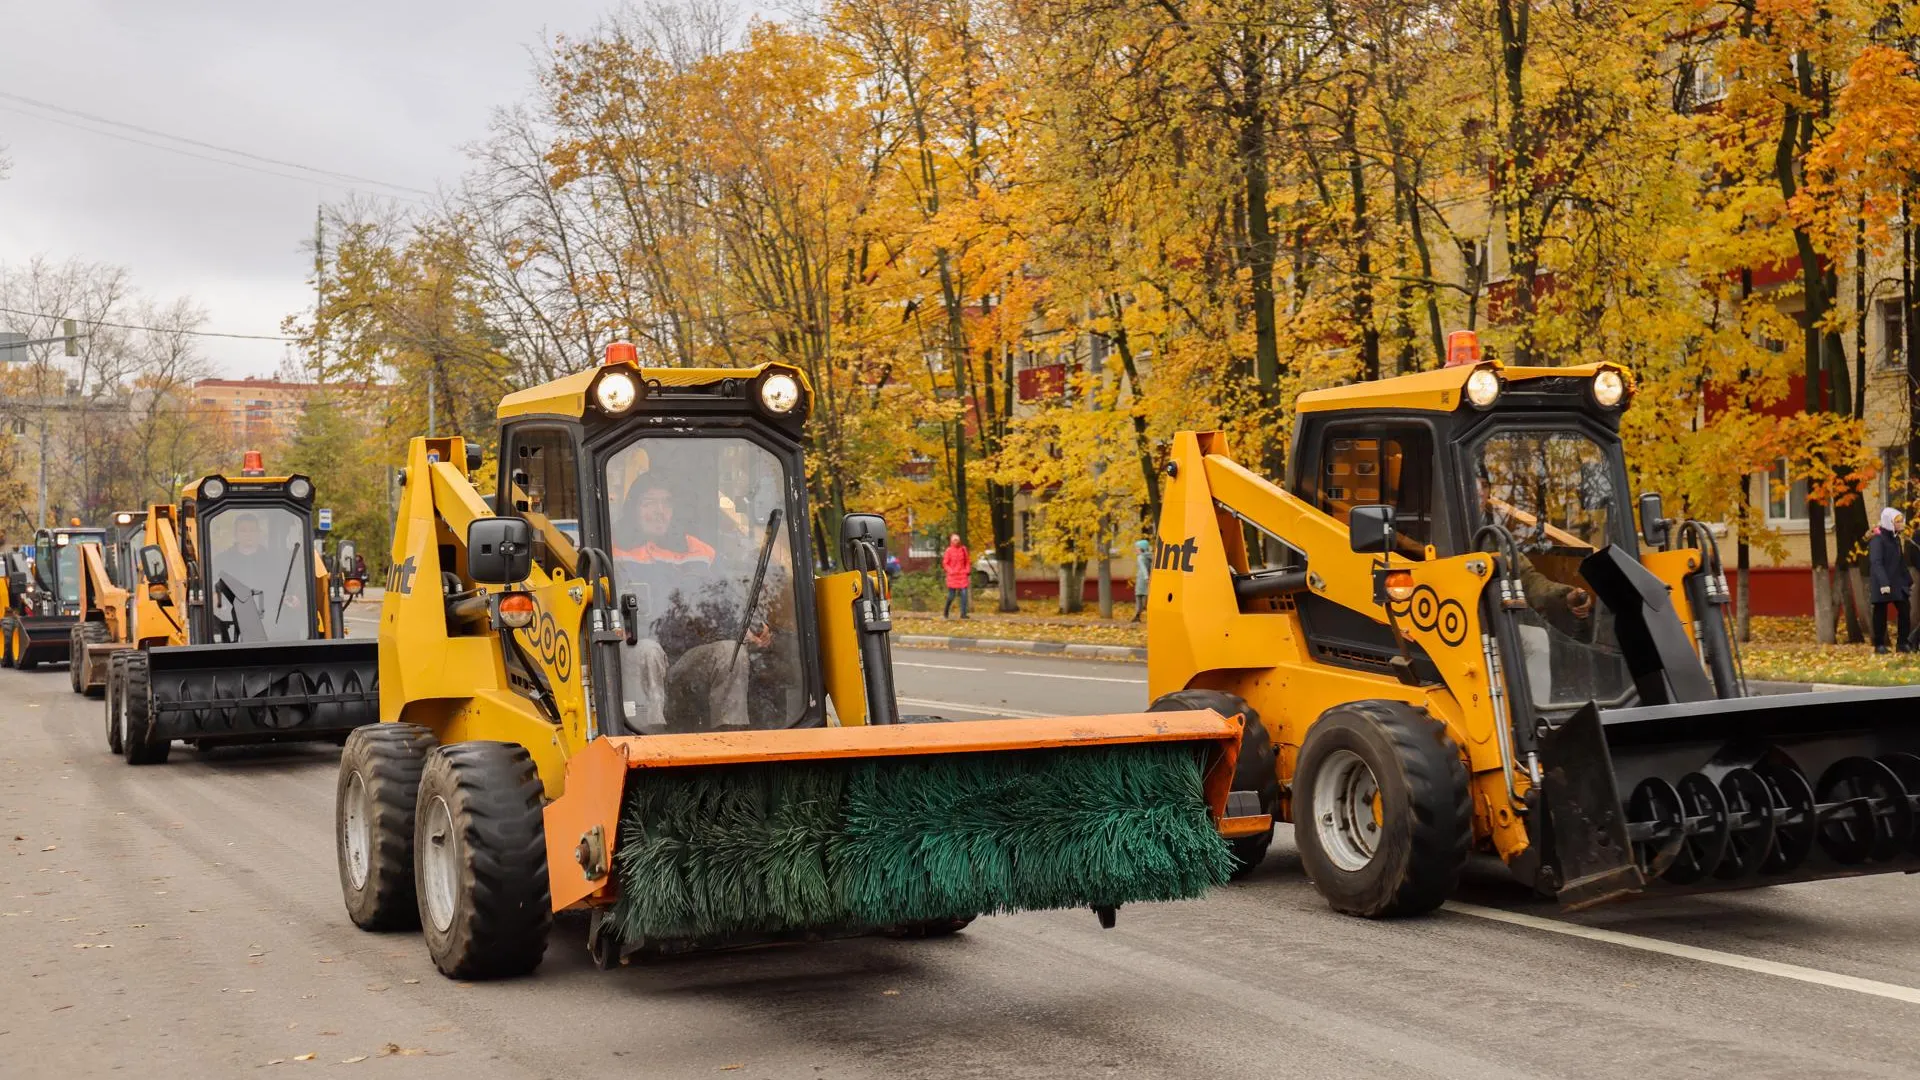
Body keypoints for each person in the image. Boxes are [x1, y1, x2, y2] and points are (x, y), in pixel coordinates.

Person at [612, 476, 759, 732]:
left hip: (687, 661)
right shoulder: (614, 552)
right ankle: (652, 740)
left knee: (730, 652)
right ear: (634, 508)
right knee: (647, 650)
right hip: (636, 660)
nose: (659, 512)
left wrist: (748, 626)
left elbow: (727, 599)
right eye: (649, 503)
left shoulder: (701, 552)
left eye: (666, 504)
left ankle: (731, 742)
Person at [1869, 506, 1911, 655]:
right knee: (1880, 613)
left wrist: (1908, 580)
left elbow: (1900, 562)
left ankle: (1902, 643)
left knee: (1905, 610)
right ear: (1889, 522)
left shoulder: (1896, 539)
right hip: (1883, 583)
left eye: (1901, 521)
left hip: (1898, 582)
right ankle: (1879, 644)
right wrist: (1884, 583)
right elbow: (1876, 563)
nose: (1901, 524)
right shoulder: (1878, 540)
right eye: (1897, 521)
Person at [942, 533, 971, 619]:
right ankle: (946, 611)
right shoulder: (948, 550)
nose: (956, 541)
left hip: (962, 575)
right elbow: (945, 563)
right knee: (951, 596)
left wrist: (967, 570)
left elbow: (967, 561)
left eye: (957, 539)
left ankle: (963, 614)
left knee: (964, 594)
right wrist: (950, 571)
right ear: (951, 541)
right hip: (953, 576)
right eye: (955, 540)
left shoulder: (963, 549)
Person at [1132, 537, 1152, 622]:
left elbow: (1143, 568)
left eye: (1137, 548)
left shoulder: (1140, 557)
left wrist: (1146, 577)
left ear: (1141, 549)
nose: (1135, 550)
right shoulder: (1149, 556)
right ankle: (1138, 615)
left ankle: (1137, 615)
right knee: (1145, 597)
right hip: (1147, 579)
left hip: (1142, 580)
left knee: (1139, 597)